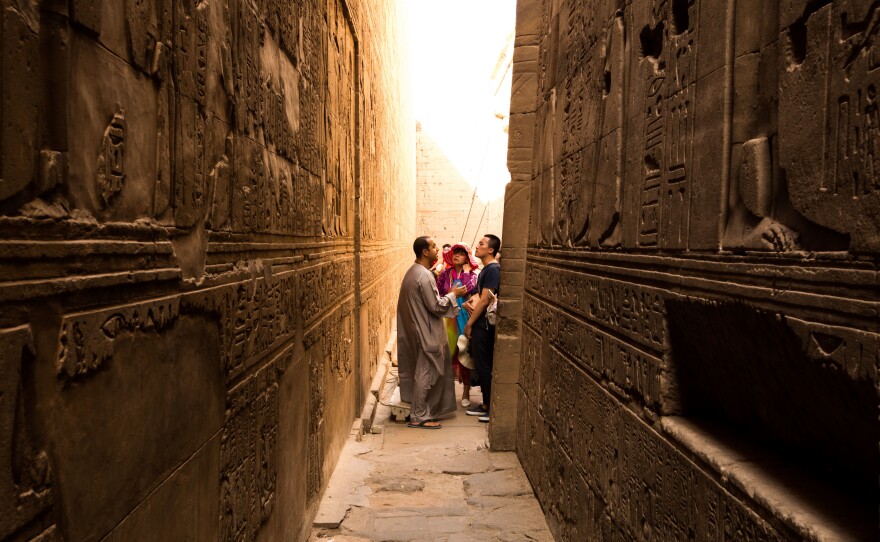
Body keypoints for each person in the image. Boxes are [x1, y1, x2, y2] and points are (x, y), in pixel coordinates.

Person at [397, 236, 468, 429]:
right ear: (425, 252)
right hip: (426, 333)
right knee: (426, 373)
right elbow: (435, 306)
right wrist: (454, 294)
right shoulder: (423, 275)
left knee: (425, 371)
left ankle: (421, 410)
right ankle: (419, 416)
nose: (438, 250)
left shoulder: (416, 272)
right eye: (434, 247)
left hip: (421, 330)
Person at [463, 234, 501, 423]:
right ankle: (485, 403)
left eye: (481, 244)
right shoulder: (487, 270)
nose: (477, 246)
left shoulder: (493, 269)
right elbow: (481, 296)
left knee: (484, 366)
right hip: (480, 323)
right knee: (480, 364)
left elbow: (486, 298)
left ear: (491, 250)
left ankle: (491, 407)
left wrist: (469, 324)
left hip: (484, 325)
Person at [436, 243, 479, 407]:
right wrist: (450, 293)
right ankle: (444, 393)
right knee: (446, 355)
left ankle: (466, 392)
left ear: (467, 258)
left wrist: (469, 302)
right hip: (447, 318)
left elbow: (476, 295)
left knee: (465, 356)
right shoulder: (444, 275)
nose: (457, 255)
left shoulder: (472, 276)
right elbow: (438, 295)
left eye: (461, 253)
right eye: (455, 253)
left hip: (464, 318)